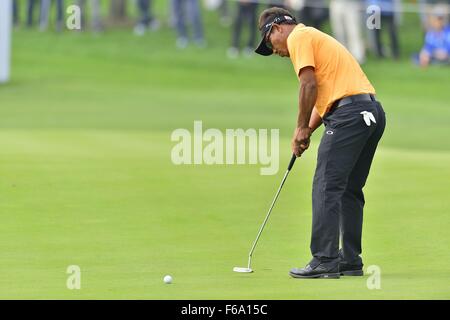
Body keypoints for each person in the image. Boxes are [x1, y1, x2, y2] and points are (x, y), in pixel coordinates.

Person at [255, 7, 386, 278]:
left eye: (270, 43)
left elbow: (308, 86)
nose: (275, 52)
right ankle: (350, 259)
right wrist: (304, 131)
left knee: (326, 185)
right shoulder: (314, 38)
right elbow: (325, 99)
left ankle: (325, 260)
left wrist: (301, 127)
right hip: (370, 113)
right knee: (349, 188)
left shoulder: (299, 37)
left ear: (278, 28)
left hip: (349, 116)